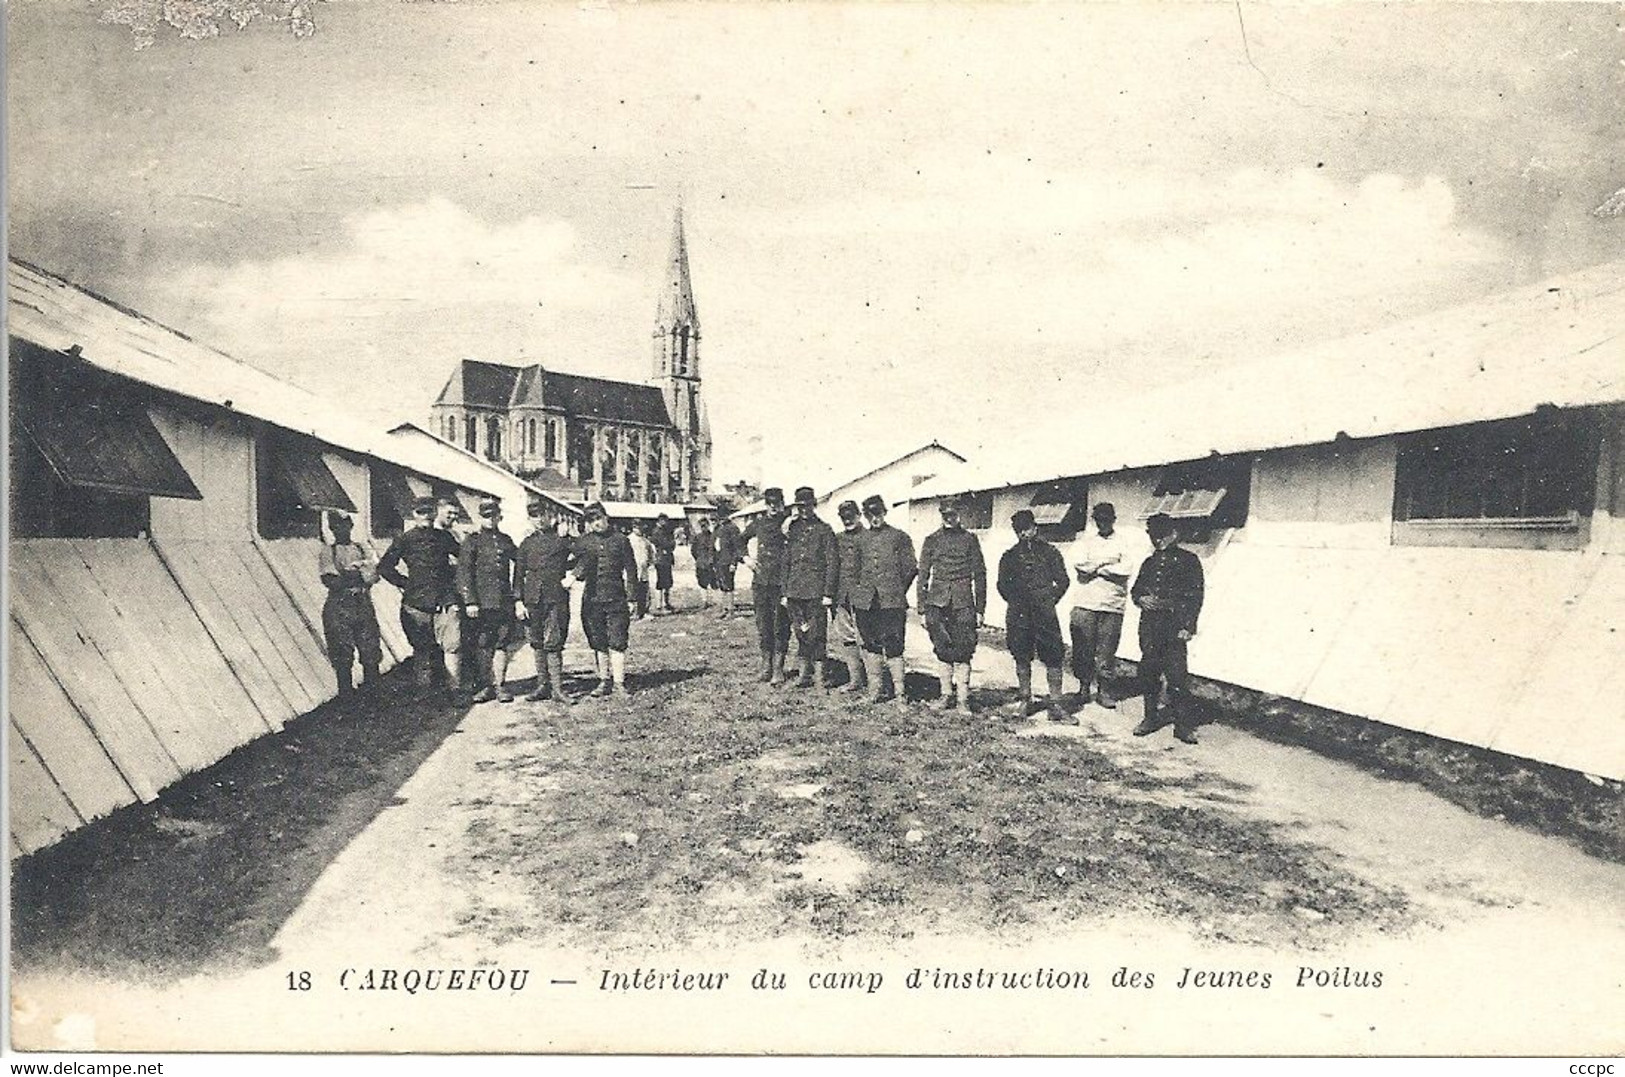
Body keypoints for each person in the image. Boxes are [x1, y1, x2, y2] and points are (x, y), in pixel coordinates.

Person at [1130, 512, 1205, 745]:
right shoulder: (1149, 562)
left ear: (1174, 534)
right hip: (1150, 625)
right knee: (1149, 671)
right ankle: (1150, 718)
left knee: (1177, 675)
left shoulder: (1189, 560)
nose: (1157, 540)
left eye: (1162, 535)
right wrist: (1141, 599)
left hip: (1174, 624)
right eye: (1153, 536)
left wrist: (1188, 626)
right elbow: (1136, 591)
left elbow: (1195, 596)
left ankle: (1182, 726)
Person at [377, 496, 462, 693]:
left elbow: (464, 561)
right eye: (421, 512)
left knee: (452, 646)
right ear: (413, 514)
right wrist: (406, 583)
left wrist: (453, 579)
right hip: (416, 604)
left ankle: (454, 690)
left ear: (435, 513)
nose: (426, 516)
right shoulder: (405, 539)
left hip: (444, 602)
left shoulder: (445, 538)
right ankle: (425, 694)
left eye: (429, 511)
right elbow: (385, 567)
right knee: (422, 650)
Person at [996, 509, 1070, 720]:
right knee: (1021, 653)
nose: (1024, 534)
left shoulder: (1050, 553)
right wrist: (1016, 601)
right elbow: (1002, 585)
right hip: (1019, 613)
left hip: (1044, 613)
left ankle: (1055, 705)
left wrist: (1048, 599)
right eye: (1019, 531)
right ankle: (1025, 700)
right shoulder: (1009, 557)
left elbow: (1063, 581)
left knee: (1054, 655)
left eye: (1027, 529)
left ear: (1035, 528)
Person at [917, 498, 987, 714]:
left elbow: (980, 574)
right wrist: (921, 608)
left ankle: (963, 701)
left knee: (964, 650)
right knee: (942, 649)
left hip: (963, 603)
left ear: (960, 514)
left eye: (953, 514)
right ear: (941, 515)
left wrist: (980, 609)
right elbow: (923, 575)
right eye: (945, 514)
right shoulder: (931, 540)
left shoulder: (970, 540)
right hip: (937, 604)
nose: (949, 518)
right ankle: (946, 695)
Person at [1065, 502, 1138, 710]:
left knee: (1107, 651)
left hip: (1112, 605)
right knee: (1083, 648)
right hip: (1086, 603)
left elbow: (1126, 569)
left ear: (1113, 520)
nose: (1103, 523)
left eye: (1107, 519)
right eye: (1099, 519)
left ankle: (1104, 691)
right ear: (1094, 520)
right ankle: (1083, 688)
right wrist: (1107, 563)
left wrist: (1096, 566)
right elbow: (1080, 566)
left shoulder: (1123, 543)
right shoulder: (1084, 542)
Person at [849, 494, 917, 708]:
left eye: (877, 513)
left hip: (892, 603)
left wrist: (895, 591)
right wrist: (860, 594)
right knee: (871, 645)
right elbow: (854, 571)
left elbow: (910, 568)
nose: (874, 518)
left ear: (884, 512)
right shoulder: (861, 539)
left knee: (895, 646)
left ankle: (900, 695)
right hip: (867, 603)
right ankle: (875, 691)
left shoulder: (899, 537)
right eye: (870, 514)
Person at [573, 502, 640, 698]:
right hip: (592, 600)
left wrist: (632, 597)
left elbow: (631, 569)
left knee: (617, 640)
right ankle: (603, 681)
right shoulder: (583, 542)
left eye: (598, 519)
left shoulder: (621, 540)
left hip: (616, 598)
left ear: (606, 517)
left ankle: (619, 682)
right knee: (598, 640)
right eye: (591, 520)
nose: (596, 524)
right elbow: (573, 564)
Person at [458, 498, 520, 703]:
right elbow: (464, 573)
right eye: (486, 516)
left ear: (499, 517)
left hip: (503, 602)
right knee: (483, 644)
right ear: (480, 517)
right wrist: (470, 601)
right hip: (481, 604)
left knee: (502, 643)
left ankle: (500, 685)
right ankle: (485, 685)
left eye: (493, 516)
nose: (490, 520)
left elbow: (520, 561)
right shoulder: (472, 541)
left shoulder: (505, 540)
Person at [514, 500, 576, 703]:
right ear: (530, 519)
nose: (539, 519)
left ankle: (557, 689)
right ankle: (542, 686)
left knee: (555, 641)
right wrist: (518, 601)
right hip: (532, 598)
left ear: (550, 516)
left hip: (556, 597)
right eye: (534, 516)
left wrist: (573, 574)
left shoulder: (562, 540)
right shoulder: (526, 543)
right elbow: (518, 574)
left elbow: (585, 552)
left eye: (542, 515)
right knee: (536, 641)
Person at [780, 486, 839, 688]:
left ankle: (820, 677)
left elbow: (832, 562)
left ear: (814, 506)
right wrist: (784, 592)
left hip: (816, 591)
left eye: (807, 506)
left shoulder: (824, 530)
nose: (804, 510)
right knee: (800, 632)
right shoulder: (792, 529)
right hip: (795, 590)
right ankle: (805, 676)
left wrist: (828, 593)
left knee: (817, 633)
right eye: (800, 507)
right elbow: (786, 561)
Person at [318, 513, 382, 697]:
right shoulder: (328, 551)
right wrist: (361, 573)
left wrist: (349, 573)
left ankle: (372, 692)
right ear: (331, 528)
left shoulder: (362, 548)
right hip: (339, 605)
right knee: (341, 649)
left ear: (351, 525)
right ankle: (346, 695)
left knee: (370, 646)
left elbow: (375, 575)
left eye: (345, 524)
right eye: (336, 525)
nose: (341, 529)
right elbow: (330, 580)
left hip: (362, 602)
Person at [743, 488, 793, 684]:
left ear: (782, 503)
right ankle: (766, 666)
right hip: (761, 581)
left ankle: (778, 669)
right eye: (770, 503)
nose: (773, 507)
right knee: (763, 624)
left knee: (781, 624)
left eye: (777, 503)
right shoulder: (758, 523)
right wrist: (746, 558)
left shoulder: (789, 523)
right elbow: (739, 541)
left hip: (781, 582)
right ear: (765, 504)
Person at [831, 500, 868, 694]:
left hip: (865, 598)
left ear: (859, 515)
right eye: (844, 518)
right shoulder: (837, 539)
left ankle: (873, 681)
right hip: (841, 596)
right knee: (846, 637)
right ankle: (855, 680)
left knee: (867, 638)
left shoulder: (870, 537)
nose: (848, 521)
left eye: (851, 517)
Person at [712, 510, 744, 619]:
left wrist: (733, 563)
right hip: (719, 561)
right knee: (722, 585)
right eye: (719, 517)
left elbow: (737, 547)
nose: (721, 519)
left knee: (729, 586)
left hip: (728, 561)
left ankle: (730, 611)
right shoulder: (719, 528)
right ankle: (724, 609)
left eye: (723, 516)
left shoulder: (732, 528)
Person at [625, 522, 654, 620]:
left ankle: (643, 612)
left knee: (643, 591)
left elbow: (650, 553)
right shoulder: (628, 540)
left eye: (640, 527)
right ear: (633, 528)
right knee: (631, 592)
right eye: (637, 527)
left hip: (643, 570)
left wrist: (649, 563)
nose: (639, 529)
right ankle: (632, 613)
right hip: (631, 570)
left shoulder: (645, 541)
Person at [651, 514, 677, 614]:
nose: (666, 523)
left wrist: (671, 544)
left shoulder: (664, 531)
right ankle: (659, 605)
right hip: (661, 559)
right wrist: (671, 543)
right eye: (665, 521)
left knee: (668, 582)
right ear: (660, 520)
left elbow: (671, 545)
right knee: (661, 582)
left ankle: (666, 603)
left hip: (666, 559)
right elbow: (665, 544)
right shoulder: (657, 531)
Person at [690, 517, 717, 608]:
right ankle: (704, 601)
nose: (704, 527)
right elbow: (693, 550)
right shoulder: (697, 537)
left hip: (711, 563)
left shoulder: (713, 536)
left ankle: (716, 601)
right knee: (702, 582)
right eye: (702, 526)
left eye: (705, 525)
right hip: (701, 563)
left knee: (714, 582)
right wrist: (698, 559)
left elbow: (716, 549)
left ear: (708, 525)